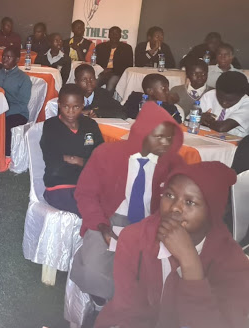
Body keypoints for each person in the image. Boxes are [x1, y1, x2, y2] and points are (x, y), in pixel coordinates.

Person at [95, 162, 249, 328]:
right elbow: (129, 312)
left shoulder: (232, 261)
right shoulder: (134, 238)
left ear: (212, 211)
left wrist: (190, 263)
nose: (175, 207)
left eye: (190, 202)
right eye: (169, 195)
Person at [70, 102, 185, 302]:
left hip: (151, 223)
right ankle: (104, 301)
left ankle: (137, 309)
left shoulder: (172, 163)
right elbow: (85, 194)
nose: (166, 144)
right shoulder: (107, 154)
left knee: (160, 269)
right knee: (92, 266)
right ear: (142, 134)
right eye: (159, 137)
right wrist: (101, 226)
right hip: (109, 219)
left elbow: (181, 201)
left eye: (169, 138)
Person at [41, 84, 104, 215]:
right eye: (66, 106)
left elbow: (101, 157)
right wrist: (85, 162)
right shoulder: (51, 126)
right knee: (92, 212)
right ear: (59, 104)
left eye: (76, 107)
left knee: (113, 204)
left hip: (88, 184)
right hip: (60, 186)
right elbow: (52, 161)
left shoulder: (90, 125)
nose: (70, 111)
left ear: (82, 106)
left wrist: (74, 160)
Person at [0, 46, 32, 152]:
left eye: (9, 57)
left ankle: (5, 155)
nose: (5, 59)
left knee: (6, 125)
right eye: (4, 56)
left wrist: (4, 112)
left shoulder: (23, 78)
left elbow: (22, 103)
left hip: (17, 112)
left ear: (17, 60)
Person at [199, 71, 249, 137]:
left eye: (230, 100)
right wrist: (199, 117)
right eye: (220, 97)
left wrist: (201, 120)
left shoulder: (247, 103)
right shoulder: (209, 95)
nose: (224, 103)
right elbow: (190, 120)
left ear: (242, 95)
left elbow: (222, 128)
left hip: (235, 144)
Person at [92, 26, 133, 92]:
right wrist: (102, 69)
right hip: (102, 72)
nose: (114, 36)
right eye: (112, 33)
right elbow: (96, 62)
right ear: (108, 35)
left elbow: (128, 65)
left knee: (110, 86)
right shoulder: (101, 47)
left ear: (120, 36)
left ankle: (107, 102)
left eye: (116, 34)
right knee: (94, 84)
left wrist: (112, 70)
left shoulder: (126, 48)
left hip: (117, 73)